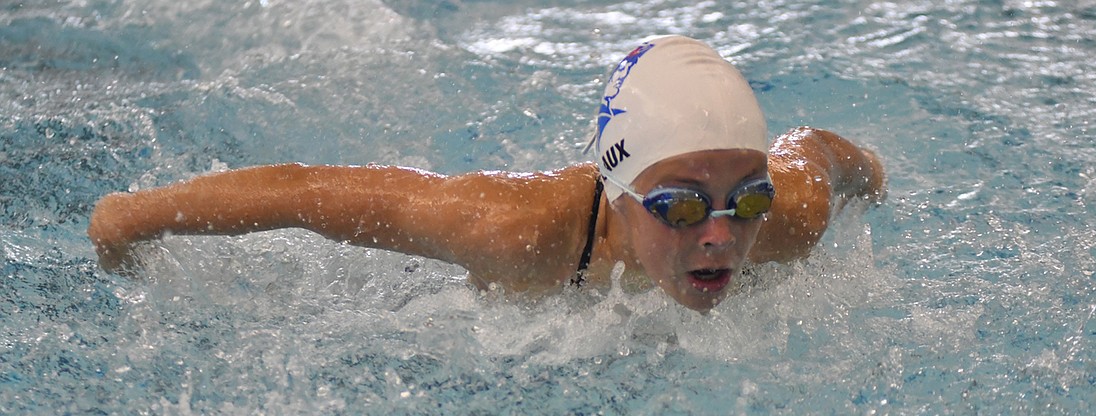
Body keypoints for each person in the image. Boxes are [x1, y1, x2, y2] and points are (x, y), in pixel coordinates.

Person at [88, 35, 885, 312]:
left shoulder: (791, 216)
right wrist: (131, 216)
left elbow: (819, 151)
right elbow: (307, 193)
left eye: (744, 199)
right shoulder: (516, 230)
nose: (721, 236)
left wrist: (874, 175)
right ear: (617, 187)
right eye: (679, 207)